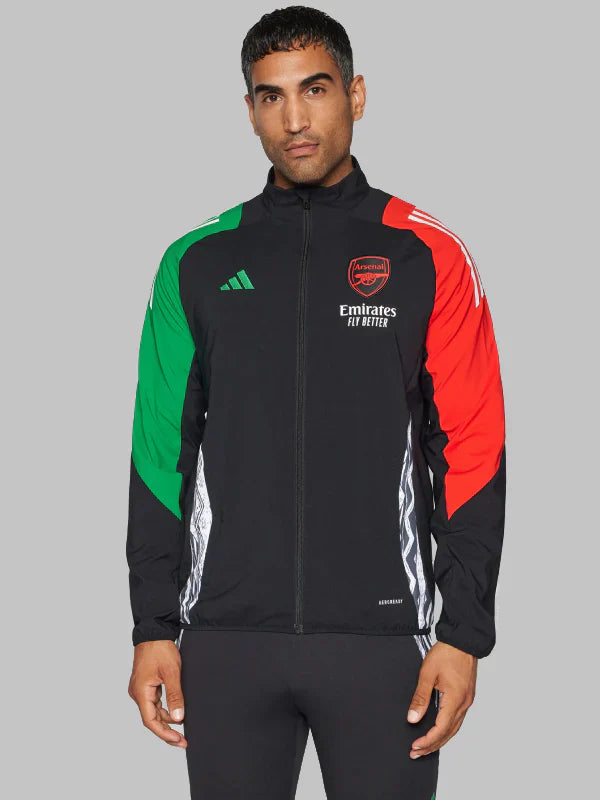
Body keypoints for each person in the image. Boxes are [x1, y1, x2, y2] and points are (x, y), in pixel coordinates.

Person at [126, 6, 506, 798]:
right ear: (250, 110)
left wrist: (464, 633)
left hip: (383, 643)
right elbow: (160, 452)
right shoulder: (196, 261)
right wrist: (153, 625)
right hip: (226, 641)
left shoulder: (427, 254)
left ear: (356, 95)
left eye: (316, 89)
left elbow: (472, 445)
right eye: (271, 97)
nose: (294, 120)